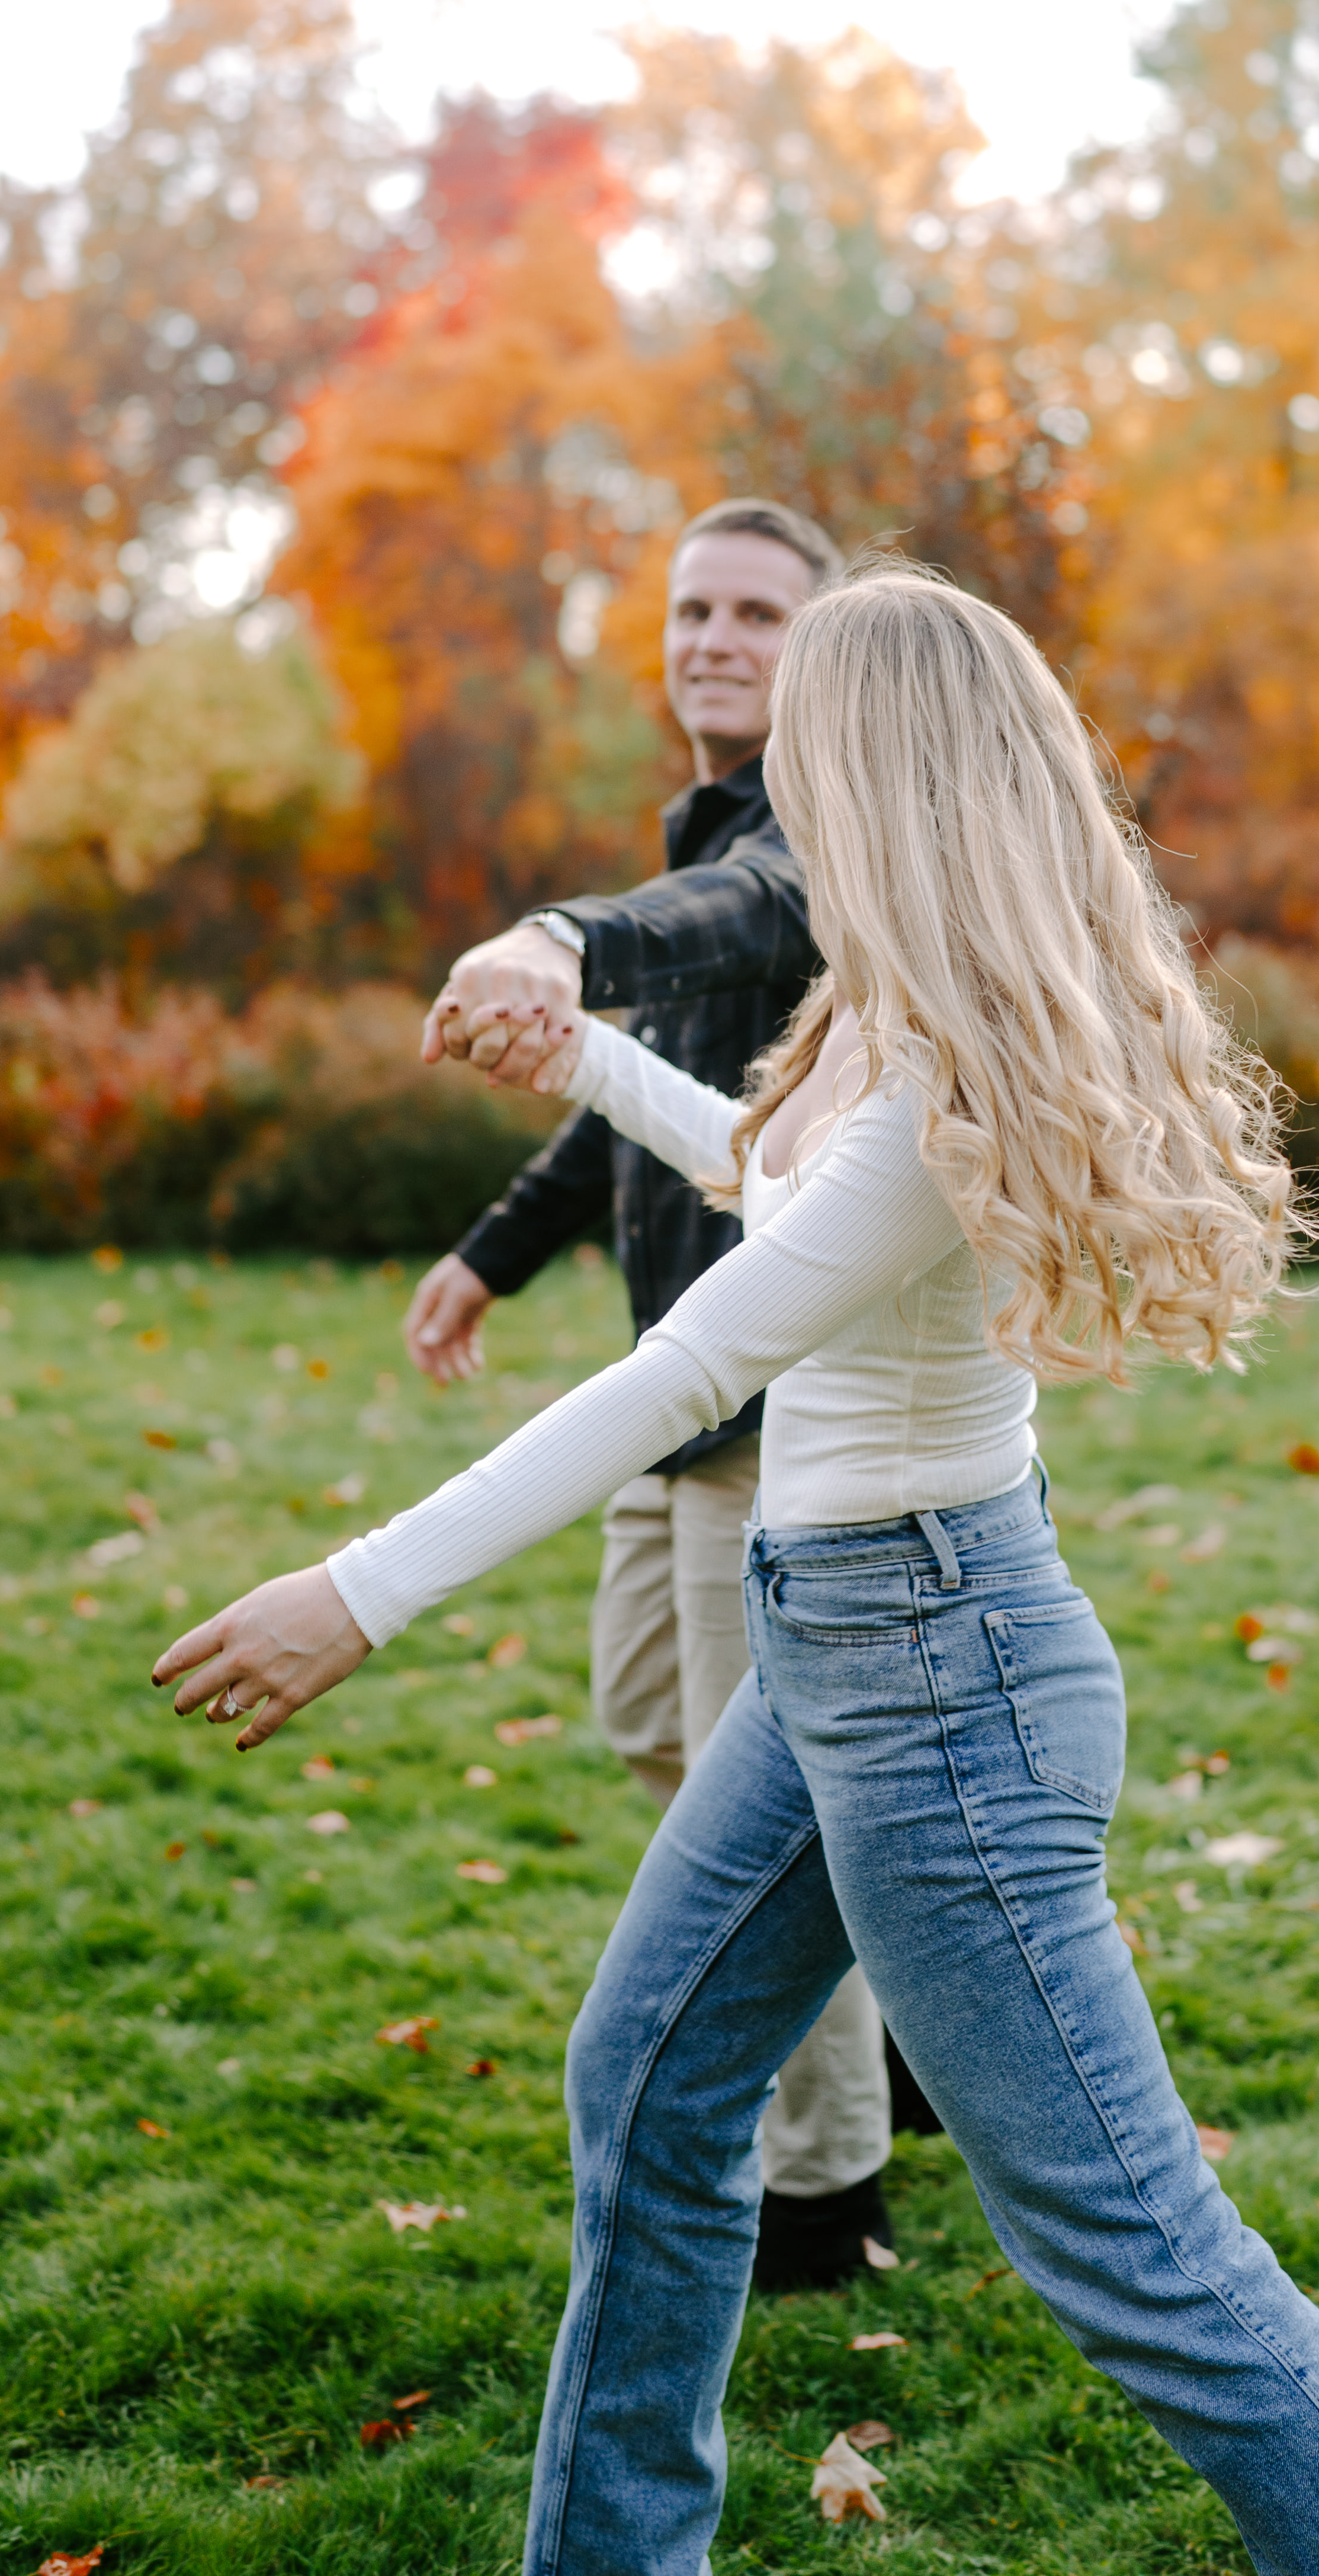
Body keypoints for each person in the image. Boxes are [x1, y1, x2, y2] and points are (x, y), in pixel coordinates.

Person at [154, 572, 1319, 2576]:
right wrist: (587, 1064)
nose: (782, 784)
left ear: (884, 767)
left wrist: (364, 1590)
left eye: (809, 750)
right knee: (655, 2078)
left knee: (1137, 2258)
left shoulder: (947, 1067)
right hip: (838, 1650)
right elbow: (768, 1191)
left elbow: (700, 1358)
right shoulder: (879, 1013)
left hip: (944, 1682)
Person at [405, 494, 903, 2292]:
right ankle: (899, 1979)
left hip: (767, 1403)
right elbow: (634, 1105)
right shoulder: (701, 822)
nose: (713, 637)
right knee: (655, 1729)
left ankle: (826, 2189)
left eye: (759, 615)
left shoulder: (811, 839)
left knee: (744, 1805)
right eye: (695, 608)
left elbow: (727, 916)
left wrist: (562, 938)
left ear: (821, 650)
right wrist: (490, 1252)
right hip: (666, 1395)